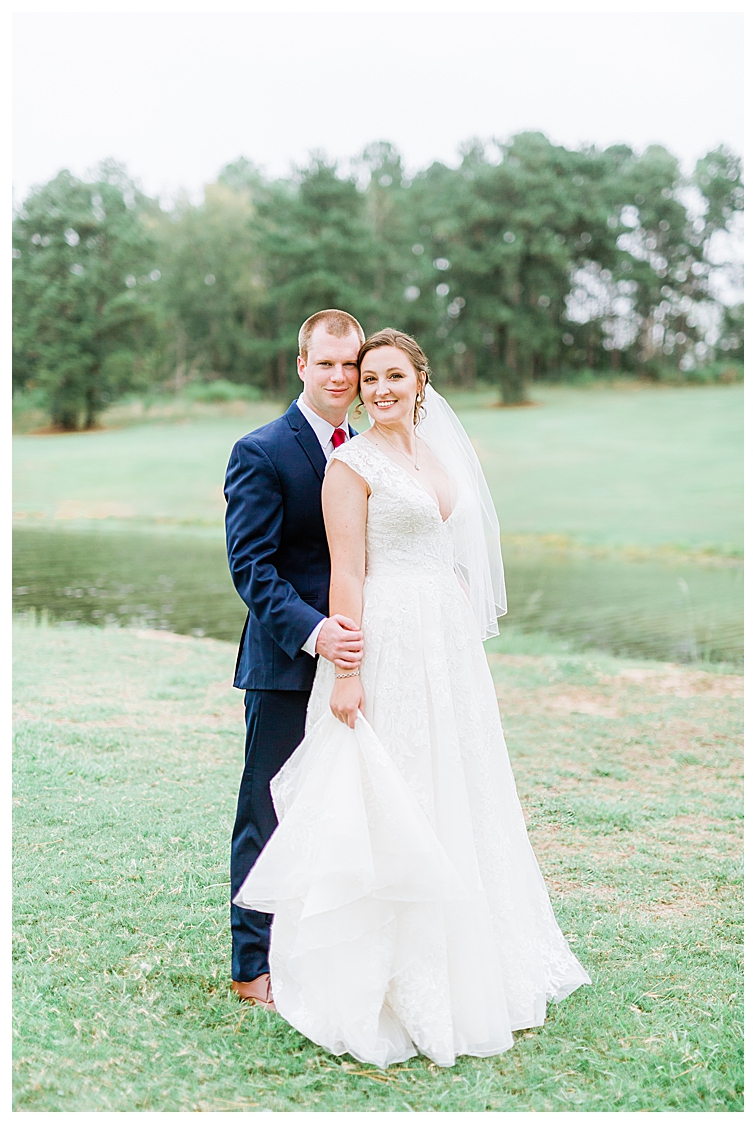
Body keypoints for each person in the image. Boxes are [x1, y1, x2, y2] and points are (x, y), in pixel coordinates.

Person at [234, 329, 590, 1067]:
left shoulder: (437, 454)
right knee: (325, 802)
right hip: (365, 643)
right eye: (363, 375)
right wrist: (345, 662)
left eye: (388, 374)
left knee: (452, 789)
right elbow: (334, 572)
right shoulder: (332, 458)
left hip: (442, 650)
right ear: (309, 368)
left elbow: (445, 546)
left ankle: (476, 958)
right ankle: (264, 966)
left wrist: (451, 594)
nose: (373, 386)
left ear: (421, 381)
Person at [224, 309, 367, 1010]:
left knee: (347, 810)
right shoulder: (262, 450)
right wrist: (316, 633)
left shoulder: (369, 449)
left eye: (351, 365)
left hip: (359, 669)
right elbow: (251, 569)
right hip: (287, 664)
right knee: (269, 812)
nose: (340, 377)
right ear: (302, 365)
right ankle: (253, 969)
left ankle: (322, 952)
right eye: (328, 363)